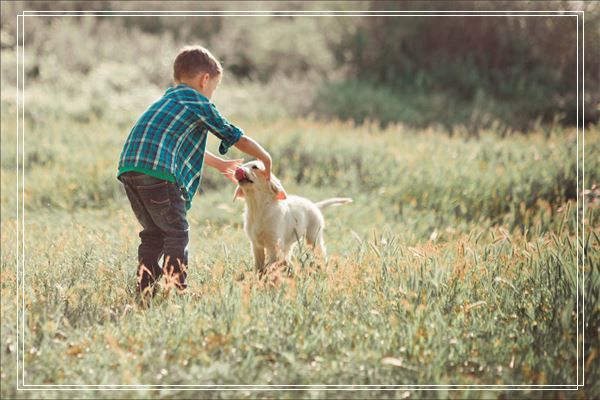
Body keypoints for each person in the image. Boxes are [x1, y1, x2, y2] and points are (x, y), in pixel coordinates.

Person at [117, 45, 272, 298]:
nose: (211, 94)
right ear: (205, 80)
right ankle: (176, 289)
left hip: (130, 168)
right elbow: (233, 135)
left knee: (153, 233)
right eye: (214, 89)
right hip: (158, 173)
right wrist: (264, 156)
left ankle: (145, 288)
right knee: (177, 232)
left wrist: (220, 164)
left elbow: (172, 143)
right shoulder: (198, 102)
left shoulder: (168, 99)